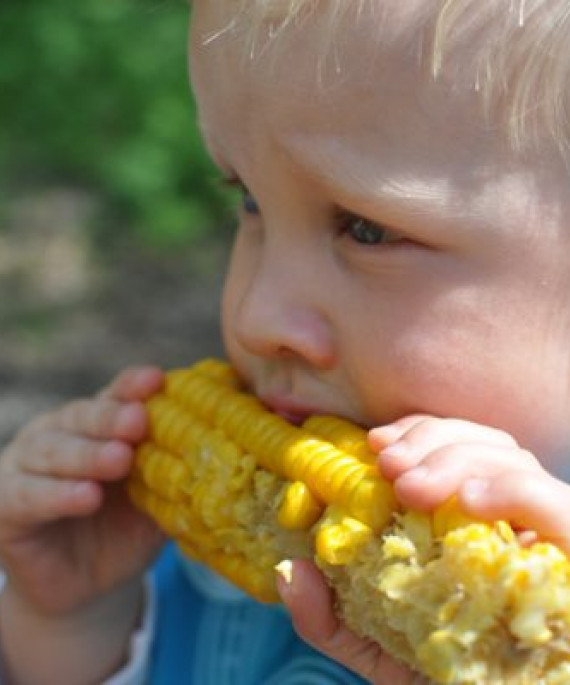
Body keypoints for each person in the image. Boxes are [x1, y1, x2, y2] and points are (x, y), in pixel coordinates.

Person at [2, 1, 570, 683]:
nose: (254, 315)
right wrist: (73, 622)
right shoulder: (175, 556)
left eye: (366, 229)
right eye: (249, 201)